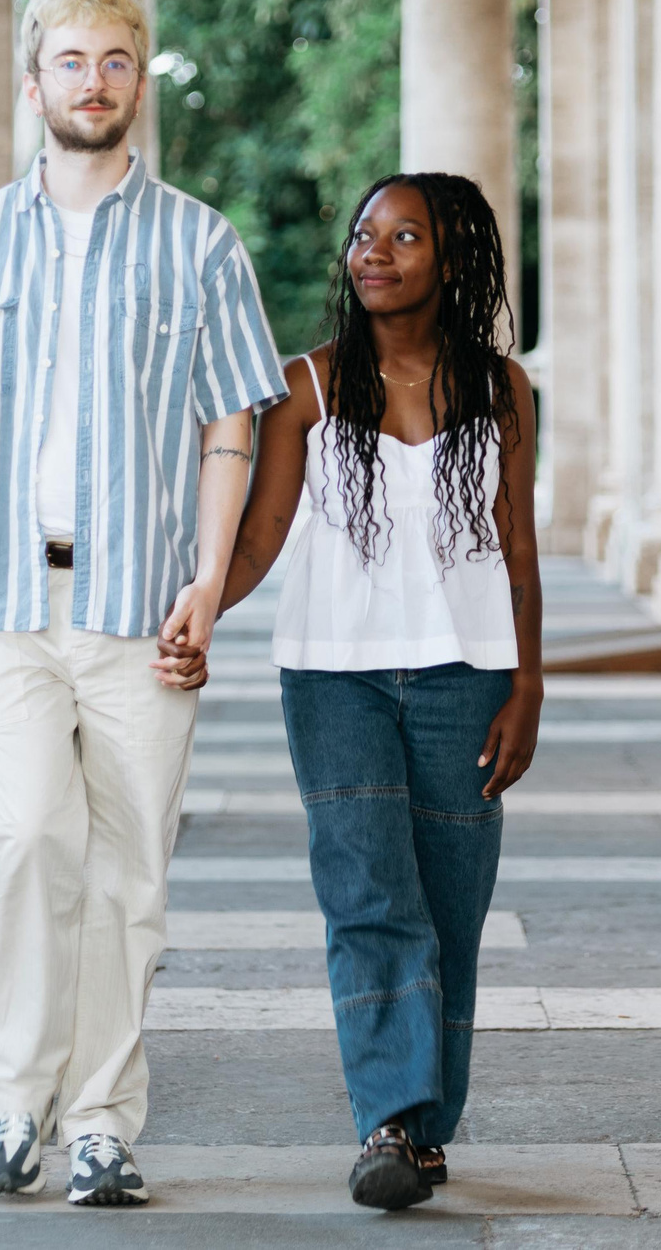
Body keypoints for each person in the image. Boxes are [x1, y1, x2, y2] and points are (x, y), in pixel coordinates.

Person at [0, 0, 288, 1207]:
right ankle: (16, 1105)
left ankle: (103, 1121)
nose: (94, 81)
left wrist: (209, 585)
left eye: (116, 61)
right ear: (33, 82)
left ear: (138, 83)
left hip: (139, 604)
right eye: (71, 61)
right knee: (24, 846)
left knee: (131, 872)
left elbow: (234, 428)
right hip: (7, 598)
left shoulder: (200, 243)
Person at [210, 171, 544, 1211]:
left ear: (455, 261)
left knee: (451, 906)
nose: (374, 253)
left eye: (404, 238)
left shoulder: (501, 389)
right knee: (368, 898)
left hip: (468, 674)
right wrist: (189, 612)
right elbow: (260, 536)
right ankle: (389, 1120)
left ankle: (424, 1132)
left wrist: (529, 686)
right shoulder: (305, 385)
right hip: (334, 680)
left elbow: (519, 547)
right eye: (364, 234)